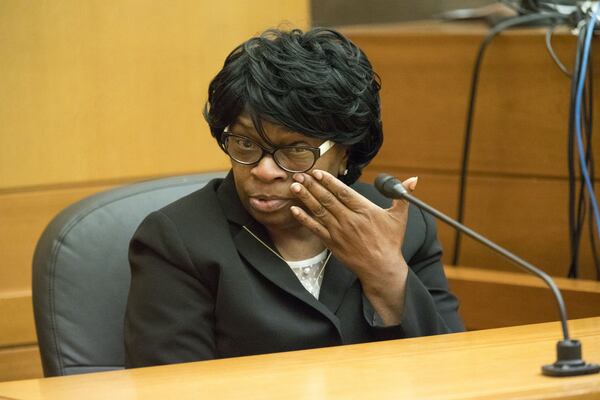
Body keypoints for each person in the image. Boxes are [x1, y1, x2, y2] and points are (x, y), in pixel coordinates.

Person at [124, 27, 464, 368]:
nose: (264, 170)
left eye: (296, 150)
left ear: (345, 151)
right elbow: (173, 387)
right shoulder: (178, 240)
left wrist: (385, 274)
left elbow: (452, 370)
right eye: (245, 144)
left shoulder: (399, 227)